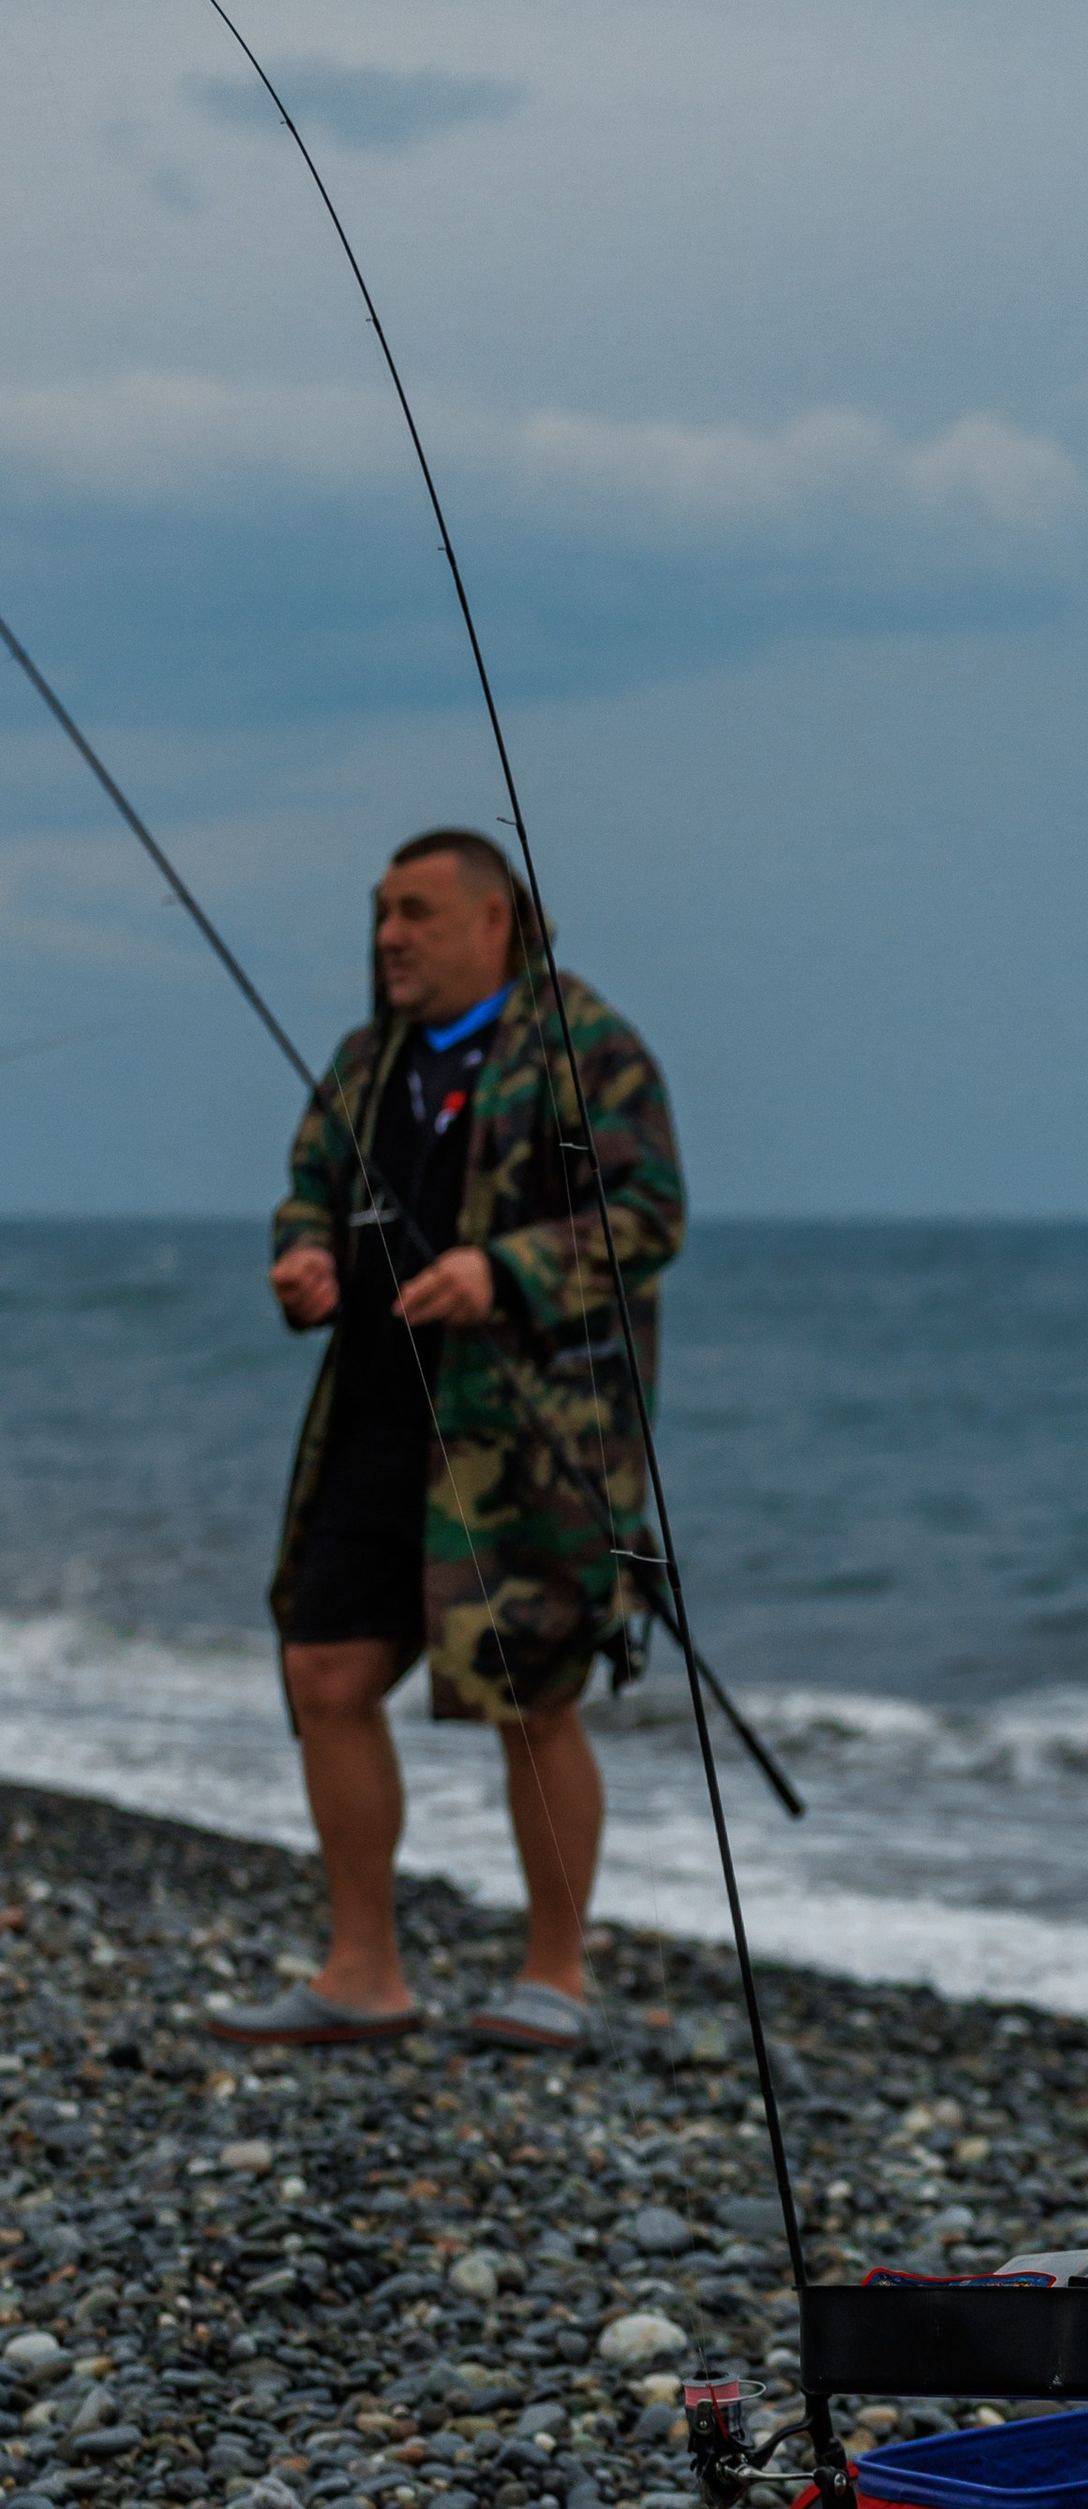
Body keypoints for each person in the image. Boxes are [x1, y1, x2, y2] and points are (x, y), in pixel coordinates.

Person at [209, 830, 685, 2054]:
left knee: (531, 1690)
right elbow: (310, 1181)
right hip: (371, 1418)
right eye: (380, 915)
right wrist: (305, 1255)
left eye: (416, 913)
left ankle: (556, 1976)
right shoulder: (368, 1063)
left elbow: (645, 1214)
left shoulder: (588, 1049)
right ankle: (362, 1972)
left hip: (529, 1436)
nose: (389, 938)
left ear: (496, 923)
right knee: (326, 1675)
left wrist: (504, 1270)